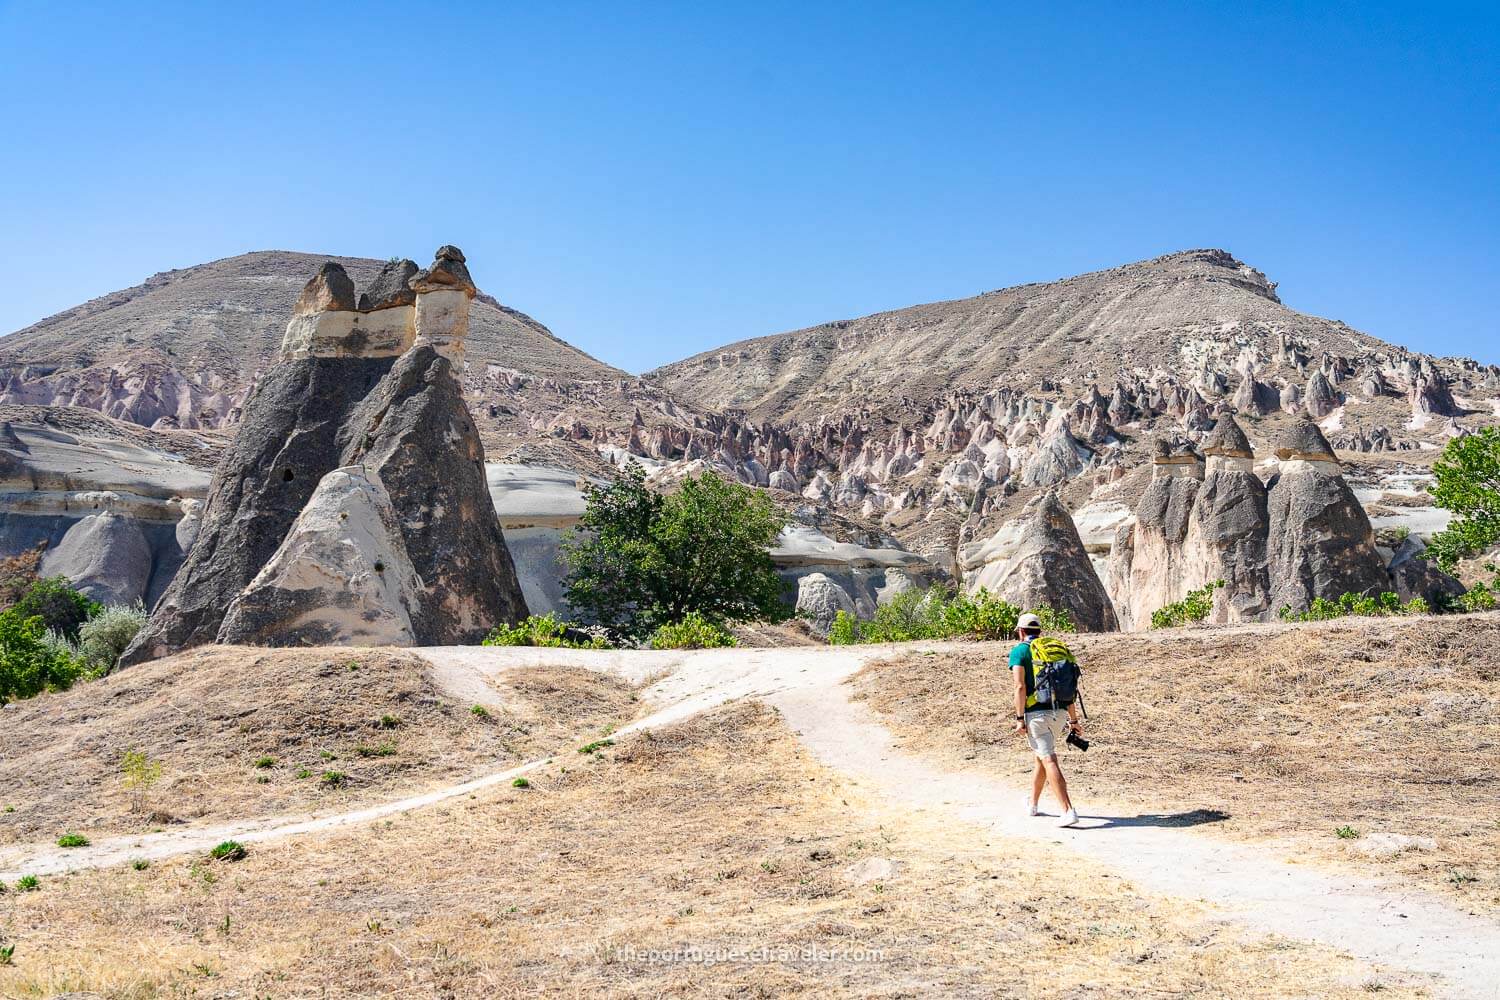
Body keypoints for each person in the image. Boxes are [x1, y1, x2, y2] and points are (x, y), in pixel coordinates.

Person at [1010, 612, 1083, 827]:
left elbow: (1020, 686)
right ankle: (1033, 804)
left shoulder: (1020, 651)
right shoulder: (1053, 650)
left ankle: (1068, 810)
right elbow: (1068, 687)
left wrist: (1019, 718)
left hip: (1036, 715)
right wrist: (1074, 719)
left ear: (1021, 631)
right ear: (1039, 631)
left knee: (1049, 759)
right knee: (1041, 757)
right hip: (1059, 714)